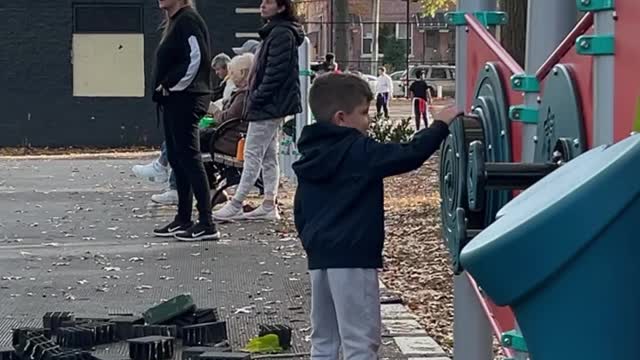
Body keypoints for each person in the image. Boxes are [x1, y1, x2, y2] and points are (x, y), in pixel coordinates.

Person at [291, 73, 456, 358]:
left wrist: (311, 241)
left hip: (320, 258)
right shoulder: (358, 150)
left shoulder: (309, 156)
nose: (369, 120)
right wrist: (440, 125)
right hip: (355, 255)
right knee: (360, 341)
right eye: (364, 113)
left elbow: (300, 209)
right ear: (341, 118)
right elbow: (409, 154)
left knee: (324, 339)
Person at [212, 0, 304, 221]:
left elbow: (274, 73)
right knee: (268, 156)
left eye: (269, 2)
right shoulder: (279, 32)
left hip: (268, 105)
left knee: (252, 153)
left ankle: (236, 203)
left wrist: (255, 97)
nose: (262, 5)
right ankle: (268, 204)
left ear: (281, 7)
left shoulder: (280, 34)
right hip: (274, 104)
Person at [151, 0, 219, 241]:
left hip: (187, 98)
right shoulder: (175, 22)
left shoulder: (188, 20)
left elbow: (197, 59)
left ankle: (207, 223)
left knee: (189, 158)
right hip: (175, 99)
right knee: (178, 159)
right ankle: (183, 218)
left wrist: (171, 86)